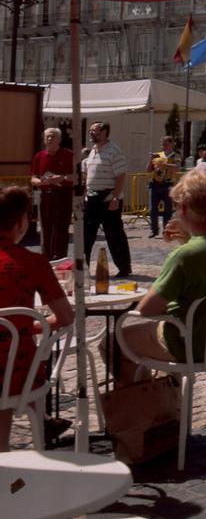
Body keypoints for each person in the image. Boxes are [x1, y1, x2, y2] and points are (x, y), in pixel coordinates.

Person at [113, 171, 206, 381]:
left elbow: (147, 309)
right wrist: (189, 237)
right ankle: (168, 403)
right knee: (171, 324)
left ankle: (147, 410)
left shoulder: (185, 256)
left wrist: (185, 246)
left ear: (185, 208)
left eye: (177, 207)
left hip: (187, 342)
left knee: (113, 344)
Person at [0, 186, 74, 450]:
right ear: (21, 221)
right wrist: (29, 326)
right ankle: (41, 428)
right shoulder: (32, 262)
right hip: (15, 369)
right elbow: (66, 317)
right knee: (23, 355)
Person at [82, 121, 132, 278]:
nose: (92, 133)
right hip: (92, 198)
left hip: (109, 198)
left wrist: (115, 197)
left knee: (114, 235)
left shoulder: (114, 150)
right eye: (90, 131)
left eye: (95, 131)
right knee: (86, 234)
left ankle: (124, 268)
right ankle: (83, 268)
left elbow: (120, 175)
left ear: (104, 132)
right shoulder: (92, 152)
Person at [31, 126, 74, 261]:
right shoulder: (39, 156)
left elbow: (78, 176)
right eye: (47, 136)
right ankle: (46, 257)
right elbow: (33, 178)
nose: (49, 139)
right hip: (45, 195)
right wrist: (40, 182)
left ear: (59, 139)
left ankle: (60, 256)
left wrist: (63, 178)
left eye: (53, 136)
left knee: (61, 227)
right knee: (46, 227)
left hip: (63, 194)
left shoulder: (68, 155)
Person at [147, 135, 180, 239]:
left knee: (168, 210)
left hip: (167, 184)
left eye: (165, 144)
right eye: (162, 144)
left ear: (171, 144)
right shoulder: (158, 155)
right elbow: (148, 170)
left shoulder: (175, 156)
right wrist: (151, 160)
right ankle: (154, 230)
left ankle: (166, 231)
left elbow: (177, 168)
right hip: (155, 184)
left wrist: (164, 165)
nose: (163, 146)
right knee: (153, 210)